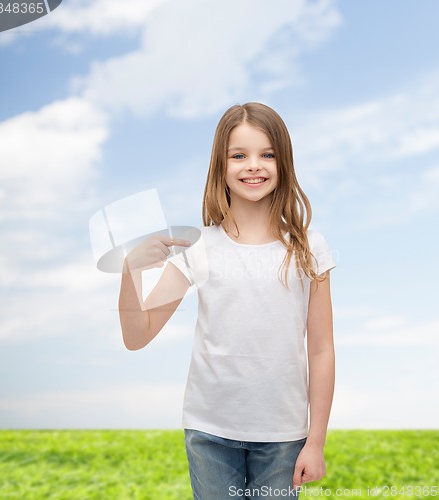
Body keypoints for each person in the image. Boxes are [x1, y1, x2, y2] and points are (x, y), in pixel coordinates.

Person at [119, 102, 337, 499]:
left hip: (284, 436)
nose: (253, 165)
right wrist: (130, 273)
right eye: (239, 155)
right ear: (220, 166)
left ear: (283, 162)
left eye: (267, 154)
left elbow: (321, 349)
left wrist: (316, 441)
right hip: (210, 433)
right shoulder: (198, 248)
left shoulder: (309, 248)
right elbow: (138, 335)